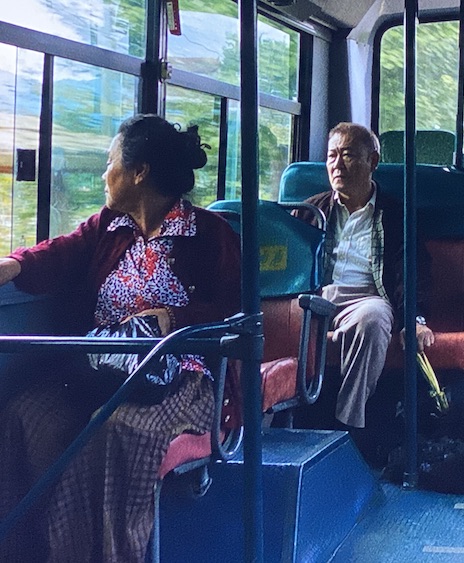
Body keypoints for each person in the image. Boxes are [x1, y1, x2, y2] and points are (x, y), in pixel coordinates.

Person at [0, 115, 241, 562]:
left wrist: (175, 318)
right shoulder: (109, 226)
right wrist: (12, 266)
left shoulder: (210, 234)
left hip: (181, 375)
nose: (103, 174)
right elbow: (61, 251)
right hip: (102, 366)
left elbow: (236, 311)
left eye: (110, 162)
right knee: (25, 414)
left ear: (139, 172)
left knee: (117, 429)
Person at [296, 122, 434, 429]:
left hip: (367, 299)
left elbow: (412, 271)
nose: (337, 165)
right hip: (316, 297)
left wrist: (416, 319)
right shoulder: (309, 211)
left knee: (372, 321)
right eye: (331, 156)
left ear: (372, 161)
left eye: (347, 155)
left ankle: (347, 423)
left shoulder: (396, 214)